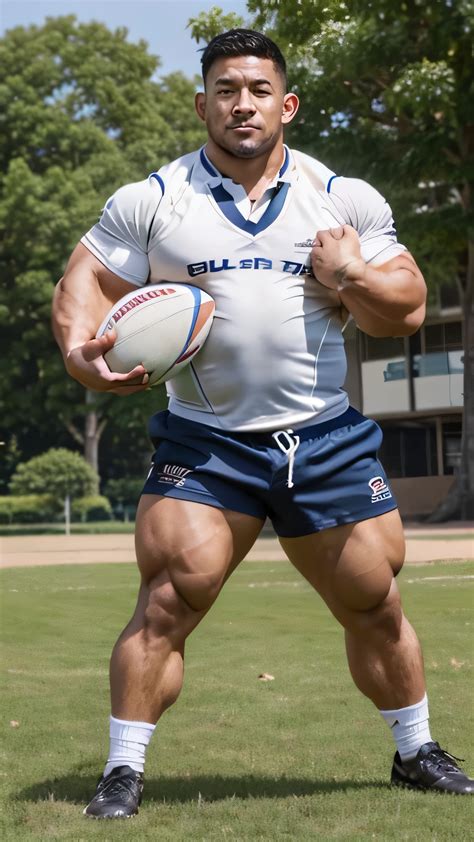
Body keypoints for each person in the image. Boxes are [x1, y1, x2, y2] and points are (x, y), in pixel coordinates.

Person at [52, 28, 473, 818]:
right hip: (206, 445)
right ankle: (123, 770)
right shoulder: (153, 200)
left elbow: (408, 309)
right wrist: (83, 356)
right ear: (203, 101)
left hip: (325, 437)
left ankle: (416, 752)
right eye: (224, 89)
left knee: (375, 601)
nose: (241, 104)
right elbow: (87, 280)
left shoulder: (341, 197)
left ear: (288, 103)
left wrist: (347, 271)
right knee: (169, 599)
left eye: (256, 89)